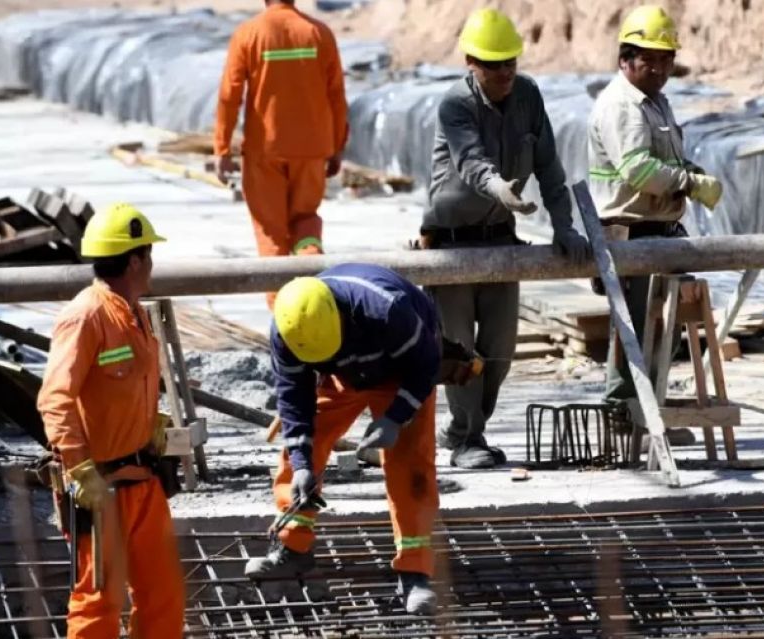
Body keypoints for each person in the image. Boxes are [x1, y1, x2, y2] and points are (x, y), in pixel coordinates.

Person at [243, 264, 483, 615]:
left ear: (342, 317)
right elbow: (294, 401)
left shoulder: (391, 311)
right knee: (301, 449)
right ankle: (292, 545)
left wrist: (395, 418)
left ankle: (415, 570)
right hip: (341, 373)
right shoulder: (289, 331)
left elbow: (425, 366)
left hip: (401, 372)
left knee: (410, 467)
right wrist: (301, 464)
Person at [420, 8, 591, 469]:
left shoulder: (529, 96)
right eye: (494, 65)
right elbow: (471, 162)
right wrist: (500, 189)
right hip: (452, 246)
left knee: (499, 350)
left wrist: (564, 226)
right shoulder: (455, 105)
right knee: (459, 350)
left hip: (500, 241)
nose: (505, 73)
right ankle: (466, 441)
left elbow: (550, 168)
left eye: (511, 62)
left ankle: (464, 429)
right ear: (471, 64)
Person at [37, 203, 185, 638]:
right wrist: (79, 468)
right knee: (99, 602)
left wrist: (151, 422)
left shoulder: (134, 311)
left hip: (142, 479)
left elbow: (128, 384)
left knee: (163, 596)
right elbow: (55, 399)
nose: (153, 265)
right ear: (135, 260)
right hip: (100, 487)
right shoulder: (86, 316)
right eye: (149, 256)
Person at [588, 4, 722, 443]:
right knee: (633, 334)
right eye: (651, 59)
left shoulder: (655, 101)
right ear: (626, 59)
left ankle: (651, 417)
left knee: (660, 332)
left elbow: (663, 159)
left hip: (659, 232)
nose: (661, 68)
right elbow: (638, 171)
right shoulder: (621, 105)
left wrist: (688, 169)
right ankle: (623, 417)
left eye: (666, 59)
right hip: (630, 234)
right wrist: (688, 182)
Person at [214, 0, 348, 307]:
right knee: (305, 226)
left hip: (265, 151)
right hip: (312, 150)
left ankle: (284, 319)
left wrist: (222, 148)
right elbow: (337, 96)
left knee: (272, 236)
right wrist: (337, 146)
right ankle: (314, 305)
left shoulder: (248, 34)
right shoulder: (319, 33)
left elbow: (229, 96)